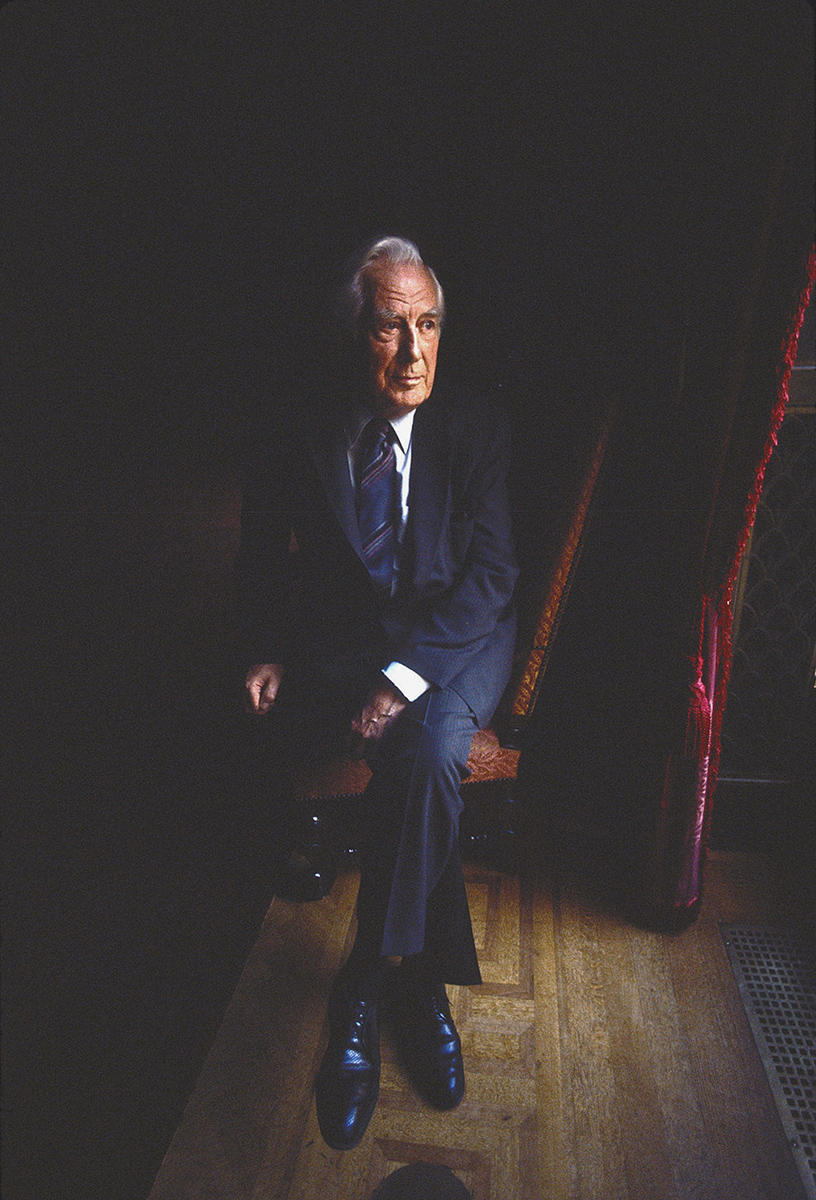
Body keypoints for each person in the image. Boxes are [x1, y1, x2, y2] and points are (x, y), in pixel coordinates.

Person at [235, 236, 518, 1150]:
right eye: (391, 328)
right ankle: (422, 979)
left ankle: (364, 973)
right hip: (356, 639)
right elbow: (263, 548)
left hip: (465, 633)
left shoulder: (472, 425)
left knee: (431, 742)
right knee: (417, 762)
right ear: (353, 335)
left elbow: (492, 577)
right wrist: (266, 646)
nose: (415, 352)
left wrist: (402, 684)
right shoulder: (304, 425)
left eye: (429, 324)